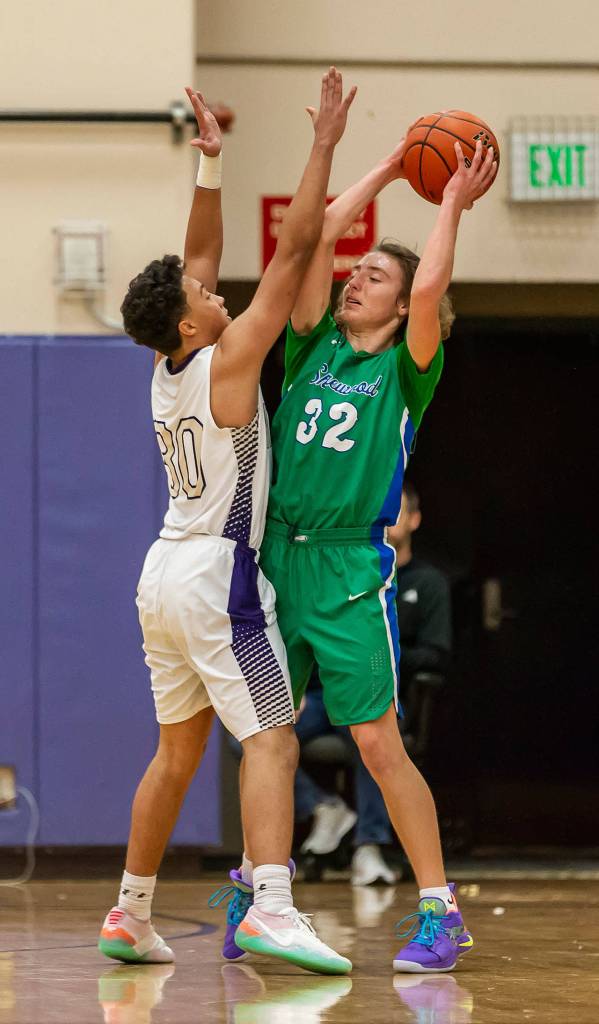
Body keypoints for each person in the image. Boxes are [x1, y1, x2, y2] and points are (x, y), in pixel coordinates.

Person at [98, 70, 356, 975]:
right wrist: (321, 145)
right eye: (202, 296)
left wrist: (211, 167)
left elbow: (197, 258)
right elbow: (293, 252)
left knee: (176, 753)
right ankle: (273, 908)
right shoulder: (231, 359)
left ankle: (130, 912)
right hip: (218, 575)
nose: (215, 292)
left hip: (162, 574)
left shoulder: (170, 364)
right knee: (273, 737)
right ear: (190, 325)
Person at [256, 126, 496, 972]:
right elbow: (320, 232)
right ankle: (262, 892)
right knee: (266, 737)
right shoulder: (309, 342)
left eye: (375, 277)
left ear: (401, 310)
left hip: (349, 568)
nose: (356, 279)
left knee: (377, 743)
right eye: (357, 272)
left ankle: (438, 909)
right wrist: (392, 167)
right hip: (275, 559)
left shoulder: (405, 370)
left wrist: (449, 205)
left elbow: (429, 288)